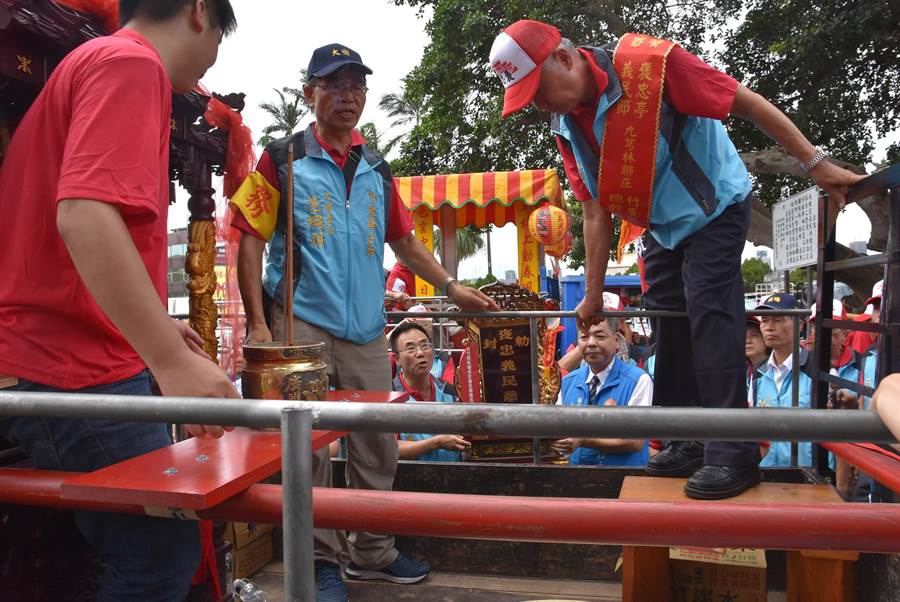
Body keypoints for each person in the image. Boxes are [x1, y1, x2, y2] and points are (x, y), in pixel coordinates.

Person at [489, 20, 865, 499]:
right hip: (663, 224)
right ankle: (687, 438)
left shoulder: (652, 66)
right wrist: (592, 296)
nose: (540, 105)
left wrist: (817, 164)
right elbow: (595, 211)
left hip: (715, 205)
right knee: (665, 314)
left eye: (538, 90)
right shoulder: (565, 124)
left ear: (564, 57)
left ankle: (733, 450)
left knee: (710, 312)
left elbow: (744, 102)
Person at [230, 43, 497, 602]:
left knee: (377, 444)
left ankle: (372, 552)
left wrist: (451, 287)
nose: (348, 96)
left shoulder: (376, 166)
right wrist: (257, 322)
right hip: (300, 326)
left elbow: (402, 240)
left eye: (356, 85)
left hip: (369, 330)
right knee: (314, 449)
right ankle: (319, 560)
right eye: (334, 84)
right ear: (310, 94)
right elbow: (249, 241)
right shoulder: (280, 159)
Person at [0, 1, 237, 599]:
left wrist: (158, 330)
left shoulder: (90, 62)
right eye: (220, 39)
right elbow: (83, 217)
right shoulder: (131, 64)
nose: (212, 57)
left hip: (60, 362)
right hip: (79, 372)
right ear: (199, 12)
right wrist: (172, 359)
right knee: (160, 555)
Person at [553, 317, 653, 466]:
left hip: (626, 480)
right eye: (584, 337)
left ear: (617, 342)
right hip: (576, 477)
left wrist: (582, 441)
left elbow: (634, 442)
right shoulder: (566, 383)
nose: (591, 343)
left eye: (600, 336)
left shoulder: (639, 380)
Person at [390, 322, 470, 461]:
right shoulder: (390, 398)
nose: (420, 353)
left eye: (424, 345)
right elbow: (390, 448)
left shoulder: (451, 392)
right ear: (397, 359)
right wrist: (436, 443)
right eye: (410, 349)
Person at [752, 294, 814, 467]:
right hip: (766, 473)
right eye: (764, 321)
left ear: (799, 325)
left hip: (808, 475)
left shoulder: (815, 369)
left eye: (778, 320)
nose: (769, 327)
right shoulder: (758, 372)